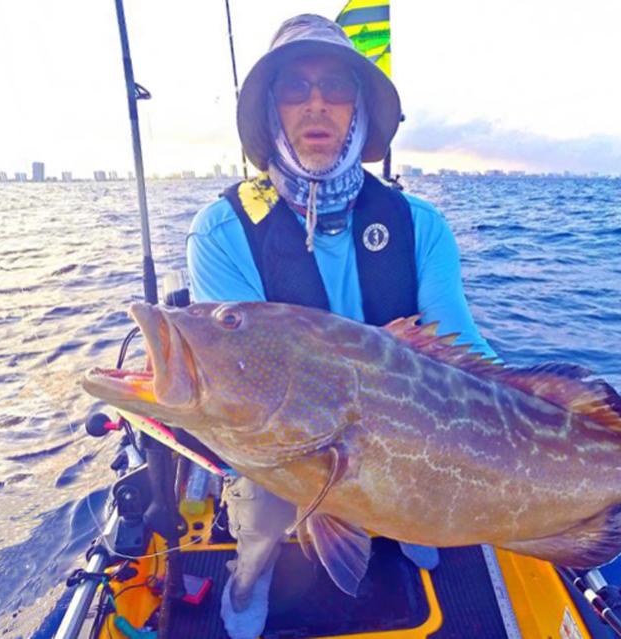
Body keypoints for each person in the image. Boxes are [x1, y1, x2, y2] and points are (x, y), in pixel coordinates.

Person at [186, 14, 497, 639]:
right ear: (272, 110)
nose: (317, 104)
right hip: (280, 441)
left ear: (359, 109)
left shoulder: (421, 224)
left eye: (336, 86)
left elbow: (465, 350)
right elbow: (239, 383)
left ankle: (412, 524)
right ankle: (252, 573)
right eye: (294, 89)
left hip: (403, 436)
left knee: (426, 480)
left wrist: (573, 423)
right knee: (263, 508)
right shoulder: (220, 232)